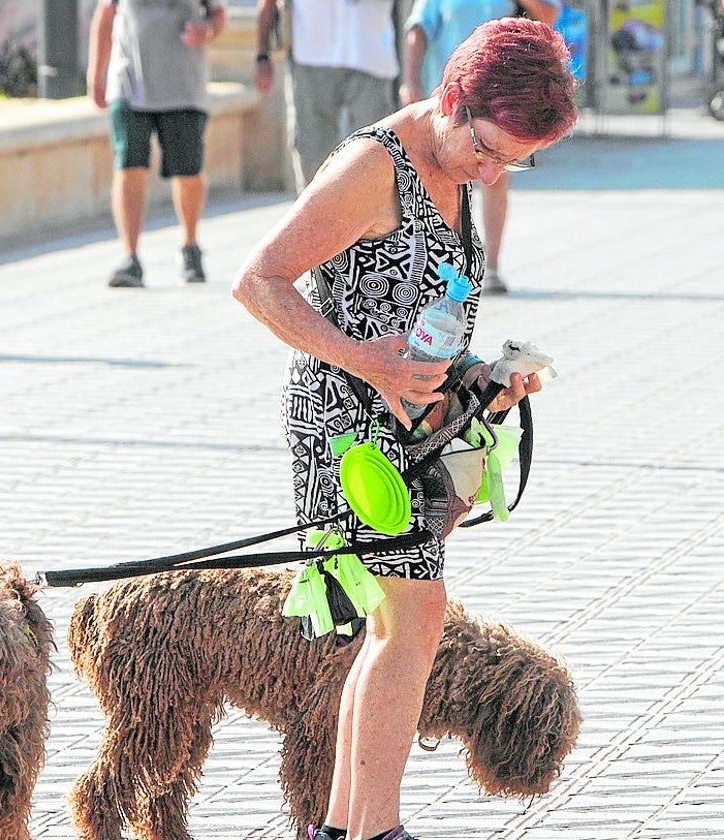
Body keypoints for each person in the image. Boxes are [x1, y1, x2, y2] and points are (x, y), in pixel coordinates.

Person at [232, 19, 576, 840]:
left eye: (514, 162)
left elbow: (420, 321)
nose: (495, 173)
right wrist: (370, 363)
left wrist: (481, 381)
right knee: (413, 621)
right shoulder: (371, 167)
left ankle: (344, 831)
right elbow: (258, 282)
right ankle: (373, 833)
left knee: (397, 629)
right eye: (490, 151)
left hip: (409, 428)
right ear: (453, 100)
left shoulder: (457, 166)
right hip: (346, 433)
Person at [399, 0, 559, 294]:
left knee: (495, 175)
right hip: (451, 103)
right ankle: (433, 265)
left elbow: (547, 20)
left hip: (501, 105)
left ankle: (491, 267)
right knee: (438, 178)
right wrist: (410, 80)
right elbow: (418, 30)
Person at [87, 0, 226, 288]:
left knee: (188, 173)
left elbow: (218, 16)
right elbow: (106, 13)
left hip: (183, 87)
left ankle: (190, 246)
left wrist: (207, 31)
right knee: (128, 165)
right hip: (128, 84)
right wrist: (96, 73)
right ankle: (130, 256)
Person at [253, 0, 399, 192]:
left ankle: (368, 219)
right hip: (312, 54)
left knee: (372, 153)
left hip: (369, 53)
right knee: (312, 154)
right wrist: (262, 55)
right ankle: (314, 217)